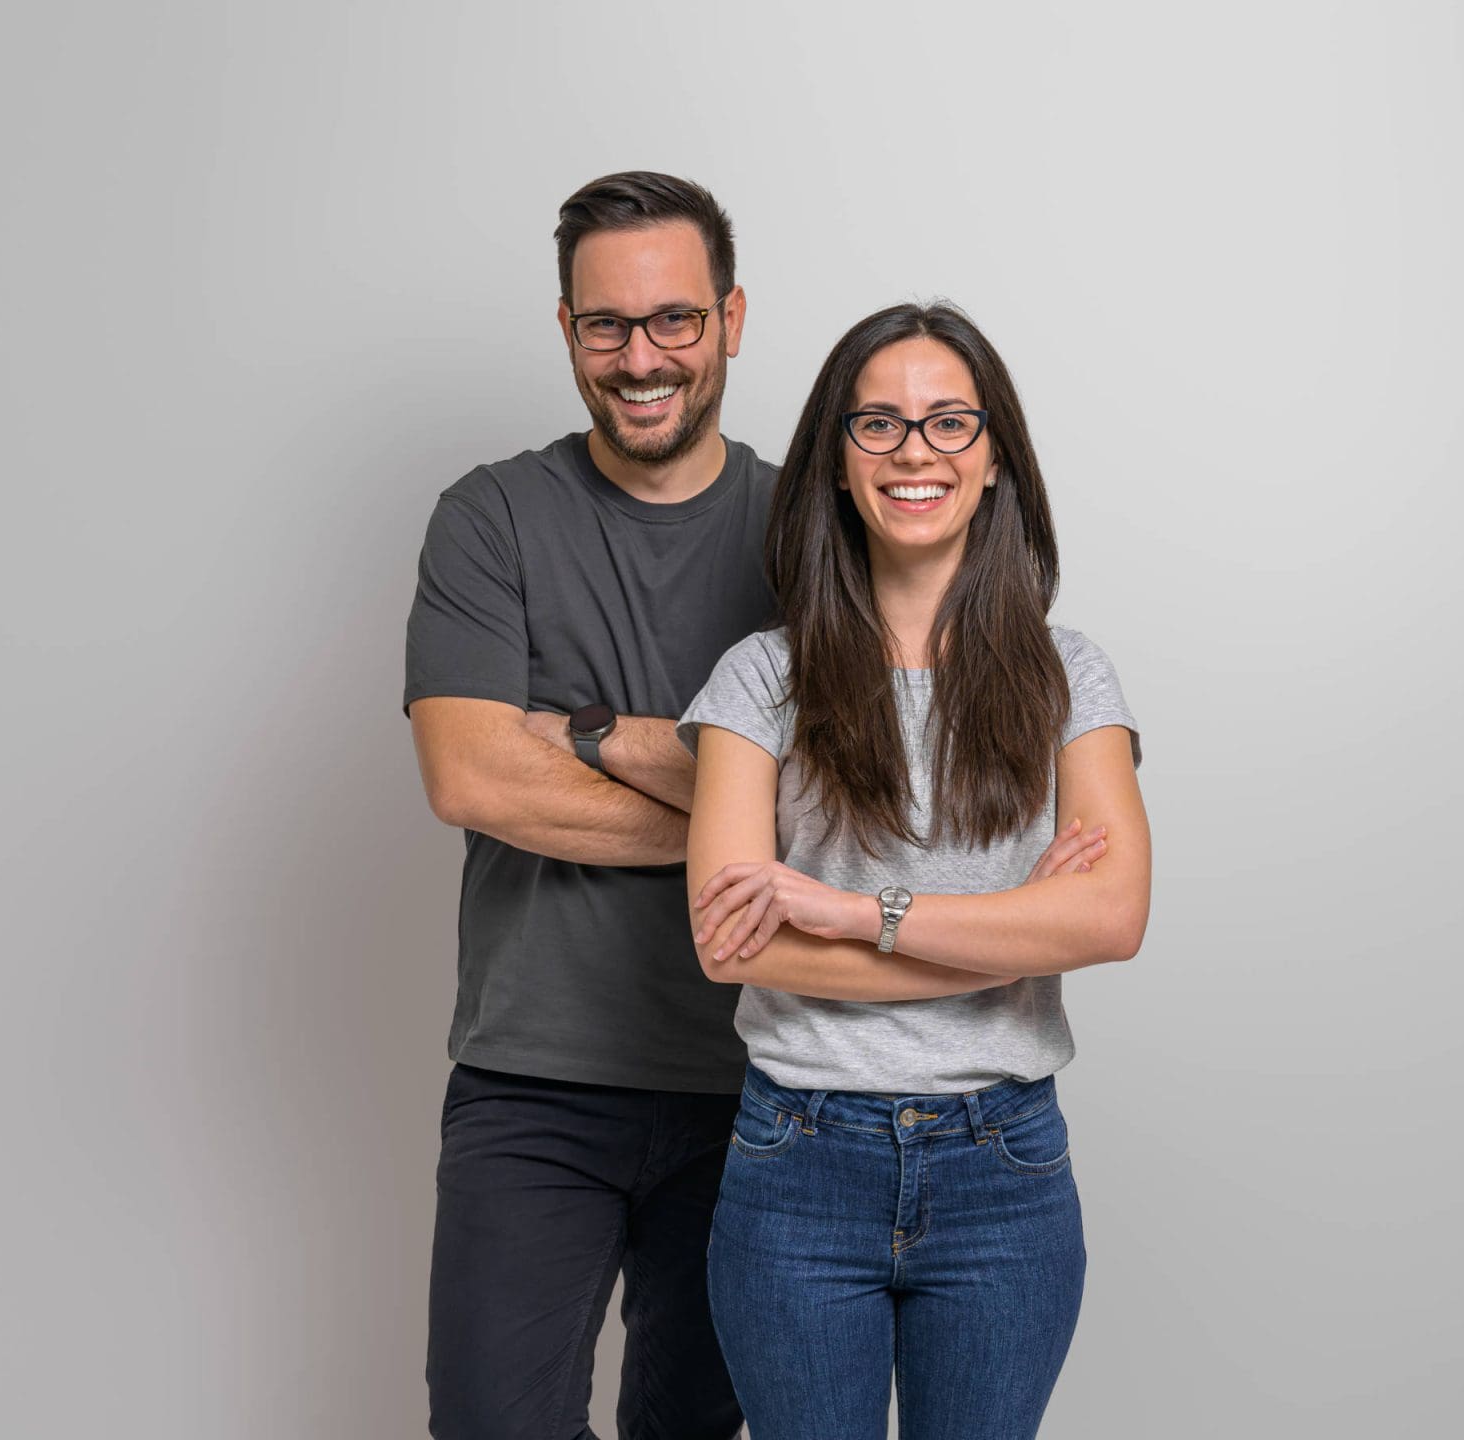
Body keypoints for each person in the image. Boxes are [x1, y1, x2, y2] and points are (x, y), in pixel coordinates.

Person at [675, 301, 1150, 1439]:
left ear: (993, 461)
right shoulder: (757, 681)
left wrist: (842, 912)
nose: (914, 452)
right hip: (796, 1162)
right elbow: (727, 942)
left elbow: (1114, 915)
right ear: (837, 464)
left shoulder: (1067, 677)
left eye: (947, 423)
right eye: (877, 425)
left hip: (1005, 1168)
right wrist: (1017, 923)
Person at [402, 171, 769, 1440]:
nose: (641, 358)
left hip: (760, 1084)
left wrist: (584, 734)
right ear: (567, 331)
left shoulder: (807, 534)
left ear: (731, 319)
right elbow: (472, 775)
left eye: (673, 320)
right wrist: (738, 818)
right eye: (605, 325)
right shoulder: (491, 516)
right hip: (530, 1082)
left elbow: (843, 794)